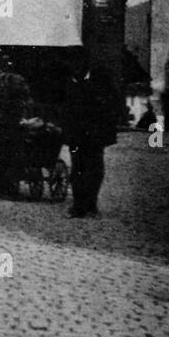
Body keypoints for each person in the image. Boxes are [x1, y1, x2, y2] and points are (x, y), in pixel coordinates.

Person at [61, 55, 120, 218]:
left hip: (95, 134)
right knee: (77, 168)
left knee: (94, 170)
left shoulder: (101, 80)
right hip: (78, 134)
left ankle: (91, 205)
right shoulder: (71, 82)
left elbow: (112, 103)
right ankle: (78, 205)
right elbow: (67, 108)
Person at [0, 51, 33, 197]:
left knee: (8, 154)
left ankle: (8, 184)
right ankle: (3, 185)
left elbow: (26, 99)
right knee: (3, 154)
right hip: (3, 123)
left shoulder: (12, 80)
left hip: (9, 122)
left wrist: (23, 113)